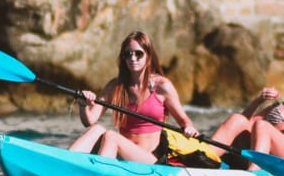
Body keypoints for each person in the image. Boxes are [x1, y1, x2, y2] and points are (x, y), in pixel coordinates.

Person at [68, 31, 199, 163]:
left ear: (148, 57)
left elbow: (184, 120)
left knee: (111, 136)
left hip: (150, 161)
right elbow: (89, 121)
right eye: (128, 54)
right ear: (123, 58)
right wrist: (83, 104)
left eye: (138, 54)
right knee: (97, 129)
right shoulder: (115, 86)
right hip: (124, 156)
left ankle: (99, 173)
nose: (133, 58)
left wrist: (189, 127)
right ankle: (65, 163)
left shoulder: (162, 87)